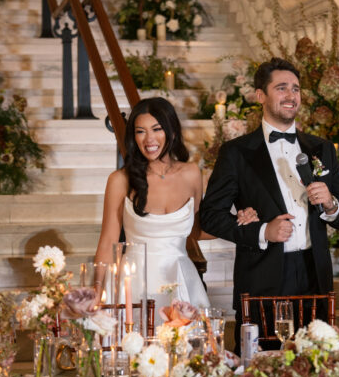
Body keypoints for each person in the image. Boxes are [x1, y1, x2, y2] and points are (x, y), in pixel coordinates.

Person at [199, 57, 339, 351]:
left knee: (317, 367)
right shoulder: (236, 153)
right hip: (263, 277)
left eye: (295, 89)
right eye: (281, 88)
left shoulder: (321, 148)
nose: (291, 95)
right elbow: (210, 216)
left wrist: (331, 204)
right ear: (261, 95)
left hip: (314, 277)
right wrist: (261, 232)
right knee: (262, 371)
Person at [94, 98, 256, 326]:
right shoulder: (120, 180)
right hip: (135, 282)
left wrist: (237, 221)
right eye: (140, 131)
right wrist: (97, 289)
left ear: (170, 131)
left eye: (157, 129)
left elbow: (198, 230)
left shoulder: (191, 173)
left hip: (180, 278)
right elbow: (108, 240)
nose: (149, 139)